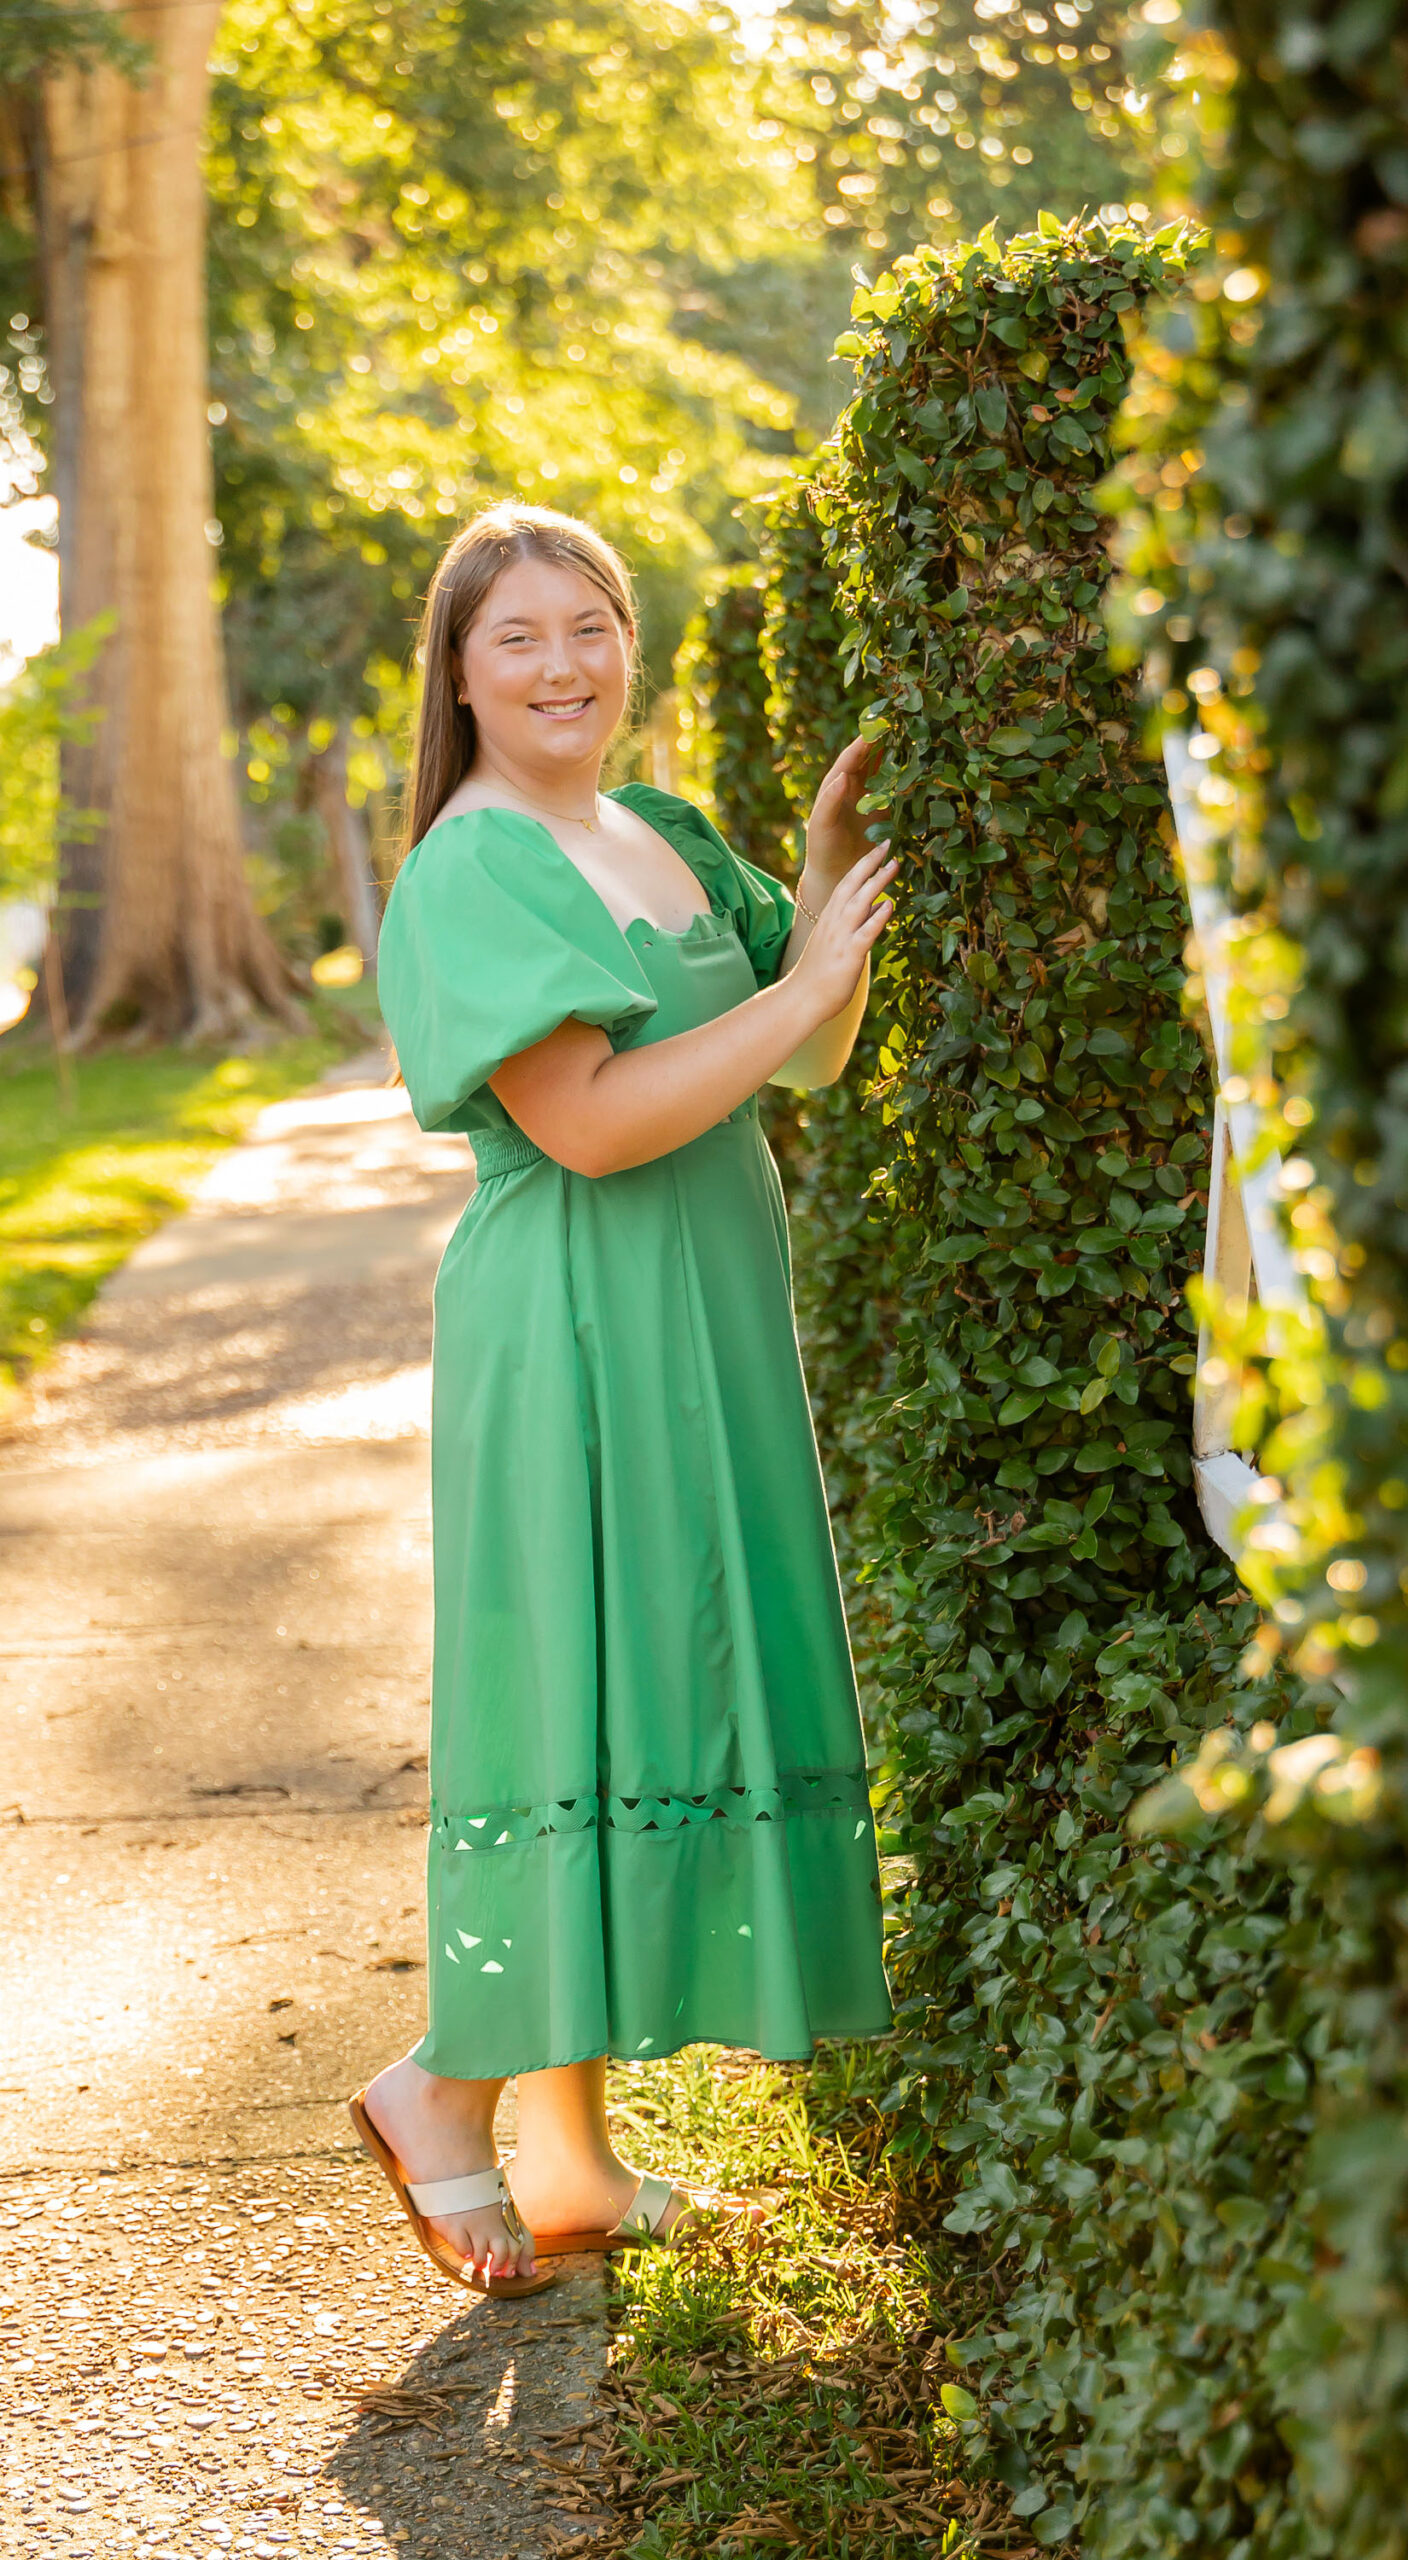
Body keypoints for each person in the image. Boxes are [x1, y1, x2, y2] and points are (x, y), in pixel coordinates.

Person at [351, 501, 897, 2296]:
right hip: (576, 1324)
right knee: (578, 1690)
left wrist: (819, 886)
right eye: (517, 637)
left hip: (705, 1306)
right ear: (458, 672)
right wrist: (806, 971)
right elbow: (583, 1121)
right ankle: (444, 2091)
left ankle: (574, 2157)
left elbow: (804, 1042)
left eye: (587, 626)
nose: (562, 664)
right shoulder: (474, 864)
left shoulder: (654, 832)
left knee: (644, 1682)